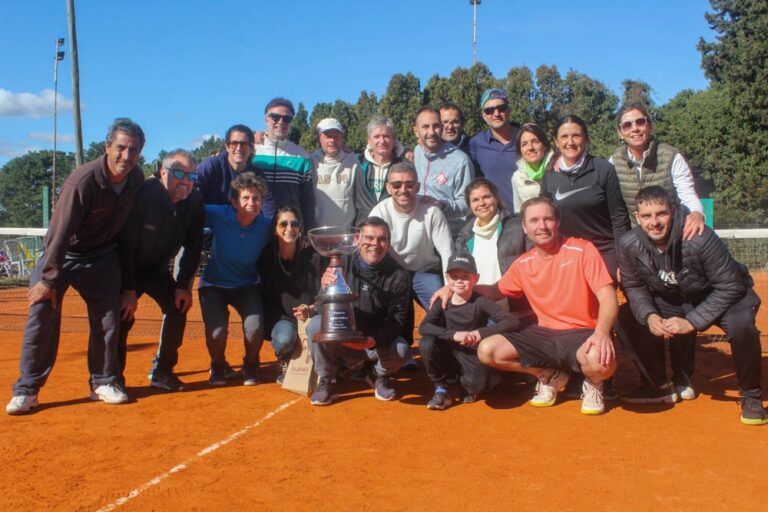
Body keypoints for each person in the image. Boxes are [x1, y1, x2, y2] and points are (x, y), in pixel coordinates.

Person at [6, 118, 146, 414]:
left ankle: (103, 382)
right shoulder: (83, 181)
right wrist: (48, 279)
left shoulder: (136, 180)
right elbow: (59, 232)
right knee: (42, 312)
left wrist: (129, 286)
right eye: (121, 148)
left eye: (133, 150)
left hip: (101, 257)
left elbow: (129, 234)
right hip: (64, 254)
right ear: (108, 148)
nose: (126, 156)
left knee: (109, 317)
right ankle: (27, 390)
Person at [618, 186, 766, 425]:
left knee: (742, 326)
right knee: (626, 316)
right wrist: (649, 316)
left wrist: (692, 321)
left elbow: (730, 286)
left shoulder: (699, 236)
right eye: (646, 216)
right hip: (677, 298)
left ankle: (751, 396)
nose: (654, 222)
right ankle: (659, 384)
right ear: (637, 218)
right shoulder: (628, 244)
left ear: (673, 212)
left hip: (724, 296)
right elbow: (634, 287)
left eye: (661, 214)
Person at [471, 196, 618, 415]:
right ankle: (547, 375)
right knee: (487, 351)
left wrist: (602, 333)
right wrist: (455, 288)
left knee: (601, 363)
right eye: (534, 220)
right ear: (524, 226)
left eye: (548, 219)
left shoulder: (583, 249)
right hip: (542, 334)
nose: (542, 226)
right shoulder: (524, 263)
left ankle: (594, 384)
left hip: (582, 333)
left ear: (557, 222)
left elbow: (608, 296)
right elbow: (494, 291)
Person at [117, 149, 204, 392]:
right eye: (179, 173)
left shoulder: (195, 201)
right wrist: (127, 289)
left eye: (191, 175)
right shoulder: (145, 194)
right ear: (163, 172)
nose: (185, 181)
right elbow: (126, 243)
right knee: (121, 317)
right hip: (127, 267)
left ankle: (162, 371)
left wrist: (183, 285)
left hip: (155, 270)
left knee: (179, 307)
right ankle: (113, 378)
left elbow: (194, 245)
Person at [306, 217, 411, 405]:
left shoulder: (399, 275)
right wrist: (327, 289)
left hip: (376, 343)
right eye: (369, 238)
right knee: (315, 326)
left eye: (382, 239)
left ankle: (378, 375)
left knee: (401, 351)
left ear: (388, 241)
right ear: (356, 239)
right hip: (345, 340)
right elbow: (322, 309)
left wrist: (373, 341)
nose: (375, 244)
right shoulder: (340, 264)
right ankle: (327, 379)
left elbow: (397, 320)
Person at [419, 253, 520, 409]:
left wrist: (480, 333)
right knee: (427, 342)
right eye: (454, 276)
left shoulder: (480, 301)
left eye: (465, 276)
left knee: (477, 387)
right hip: (449, 350)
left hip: (471, 352)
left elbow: (511, 320)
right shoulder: (443, 302)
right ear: (447, 278)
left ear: (476, 278)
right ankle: (441, 388)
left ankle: (483, 380)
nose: (459, 280)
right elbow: (424, 327)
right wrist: (453, 335)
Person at [199, 172, 271, 386]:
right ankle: (218, 365)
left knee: (255, 327)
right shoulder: (217, 213)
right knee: (217, 331)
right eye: (246, 198)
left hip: (247, 285)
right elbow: (191, 210)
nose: (252, 203)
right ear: (234, 201)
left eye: (257, 198)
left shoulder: (267, 226)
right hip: (213, 284)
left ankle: (250, 364)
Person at [541, 114, 631, 278]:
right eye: (564, 137)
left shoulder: (604, 169)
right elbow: (544, 219)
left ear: (586, 139)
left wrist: (623, 259)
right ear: (556, 141)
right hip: (566, 255)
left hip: (604, 253)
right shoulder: (549, 176)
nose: (570, 142)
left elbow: (619, 217)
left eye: (576, 135)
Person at [610, 102, 705, 239]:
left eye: (640, 122)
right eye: (627, 125)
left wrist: (697, 213)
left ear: (649, 126)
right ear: (620, 133)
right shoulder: (613, 162)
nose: (635, 128)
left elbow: (688, 195)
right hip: (636, 242)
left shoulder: (671, 157)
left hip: (671, 236)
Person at [369, 162, 453, 311]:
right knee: (391, 318)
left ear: (418, 186)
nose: (403, 190)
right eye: (396, 185)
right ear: (388, 188)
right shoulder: (379, 213)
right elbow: (369, 250)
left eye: (409, 184)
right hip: (391, 273)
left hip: (425, 271)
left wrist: (449, 287)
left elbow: (447, 251)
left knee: (443, 308)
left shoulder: (432, 212)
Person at [258, 206, 322, 383]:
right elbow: (265, 298)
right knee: (284, 340)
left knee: (319, 333)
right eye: (283, 224)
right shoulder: (266, 257)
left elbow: (322, 292)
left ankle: (329, 364)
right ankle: (284, 358)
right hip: (283, 318)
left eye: (295, 224)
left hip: (311, 315)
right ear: (275, 229)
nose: (289, 229)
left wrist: (312, 309)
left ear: (300, 229)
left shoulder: (313, 255)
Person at [253, 97, 315, 228]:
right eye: (275, 117)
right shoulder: (252, 152)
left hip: (289, 230)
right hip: (255, 228)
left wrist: (308, 230)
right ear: (266, 119)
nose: (281, 122)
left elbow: (307, 200)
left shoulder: (301, 156)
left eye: (287, 119)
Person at [412, 107, 474, 235]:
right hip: (421, 233)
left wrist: (443, 205)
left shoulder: (460, 161)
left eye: (435, 126)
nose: (431, 132)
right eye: (425, 127)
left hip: (452, 234)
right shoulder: (417, 152)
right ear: (416, 131)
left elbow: (468, 204)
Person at [454, 178, 527, 287]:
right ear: (470, 206)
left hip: (513, 297)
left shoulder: (517, 227)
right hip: (480, 301)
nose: (482, 203)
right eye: (475, 200)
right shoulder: (464, 237)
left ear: (496, 199)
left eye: (486, 197)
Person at [195, 124, 273, 218]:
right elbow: (193, 198)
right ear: (227, 146)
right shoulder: (210, 166)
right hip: (208, 225)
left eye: (244, 144)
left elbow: (268, 205)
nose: (239, 148)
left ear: (252, 148)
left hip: (243, 227)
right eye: (234, 144)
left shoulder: (257, 174)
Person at [309, 118, 374, 227]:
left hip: (347, 234)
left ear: (342, 138)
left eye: (336, 136)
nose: (332, 140)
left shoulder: (355, 160)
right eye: (328, 136)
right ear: (319, 138)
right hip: (319, 234)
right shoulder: (310, 162)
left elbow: (377, 152)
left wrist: (403, 150)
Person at [469, 88, 521, 212]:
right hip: (497, 219)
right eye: (489, 110)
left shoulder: (526, 137)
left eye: (501, 108)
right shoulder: (476, 143)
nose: (496, 113)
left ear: (509, 110)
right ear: (483, 115)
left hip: (530, 218)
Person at [359, 115, 407, 206]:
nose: (382, 141)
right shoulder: (357, 164)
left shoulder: (404, 165)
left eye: (386, 136)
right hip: (364, 220)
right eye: (376, 137)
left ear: (393, 139)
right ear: (369, 140)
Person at [511, 123, 553, 214]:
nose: (530, 147)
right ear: (520, 150)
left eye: (535, 142)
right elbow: (519, 212)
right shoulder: (517, 178)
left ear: (544, 145)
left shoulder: (558, 168)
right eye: (524, 144)